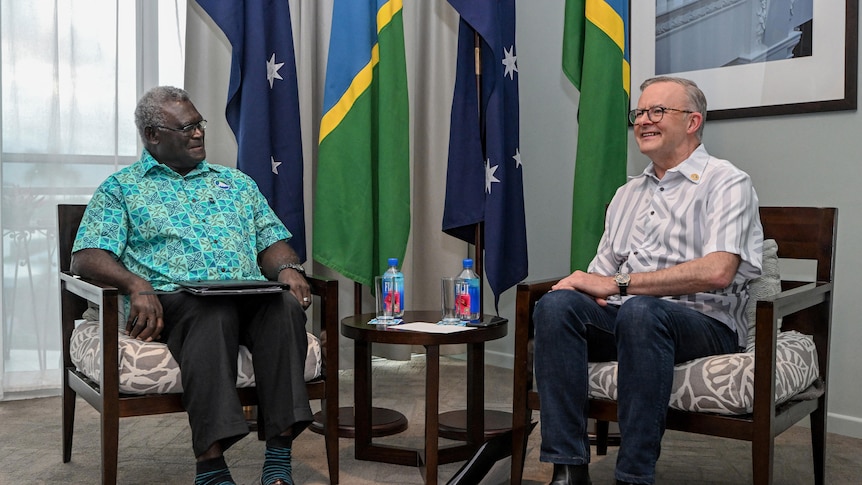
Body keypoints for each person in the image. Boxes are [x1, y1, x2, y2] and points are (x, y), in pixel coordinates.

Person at [71, 86, 311, 485]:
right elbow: (86, 256)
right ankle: (211, 467)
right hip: (175, 299)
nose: (199, 133)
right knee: (209, 312)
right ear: (153, 135)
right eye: (186, 128)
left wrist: (287, 267)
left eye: (200, 124)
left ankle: (278, 460)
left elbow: (270, 241)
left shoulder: (236, 184)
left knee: (283, 307)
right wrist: (135, 283)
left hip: (245, 292)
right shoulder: (122, 188)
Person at [534, 76, 763, 485]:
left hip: (706, 323)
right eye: (639, 113)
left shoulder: (727, 181)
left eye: (657, 111)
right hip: (629, 318)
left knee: (640, 311)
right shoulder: (627, 194)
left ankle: (633, 476)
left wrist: (621, 284)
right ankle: (568, 468)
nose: (643, 120)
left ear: (693, 122)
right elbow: (599, 275)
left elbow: (718, 271)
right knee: (555, 307)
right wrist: (579, 285)